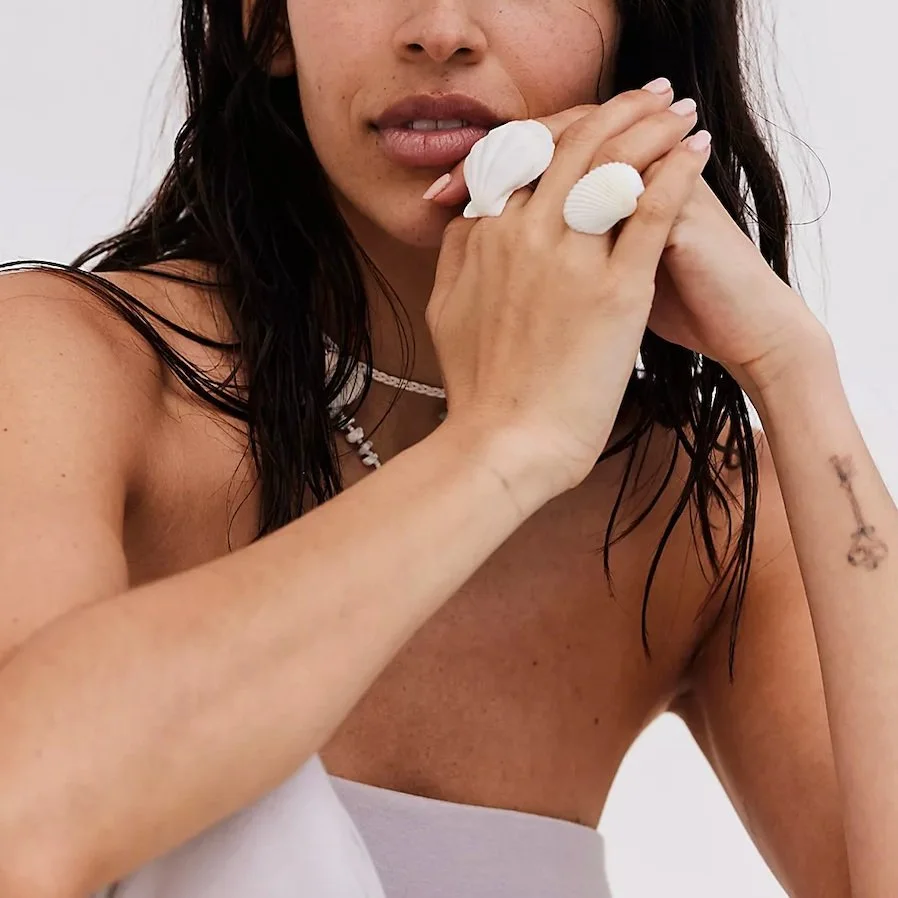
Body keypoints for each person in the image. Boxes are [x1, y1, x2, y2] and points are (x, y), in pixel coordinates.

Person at [0, 0, 895, 895]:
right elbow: (25, 824)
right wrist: (499, 446)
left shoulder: (698, 509)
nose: (440, 27)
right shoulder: (66, 368)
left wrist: (793, 370)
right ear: (266, 24)